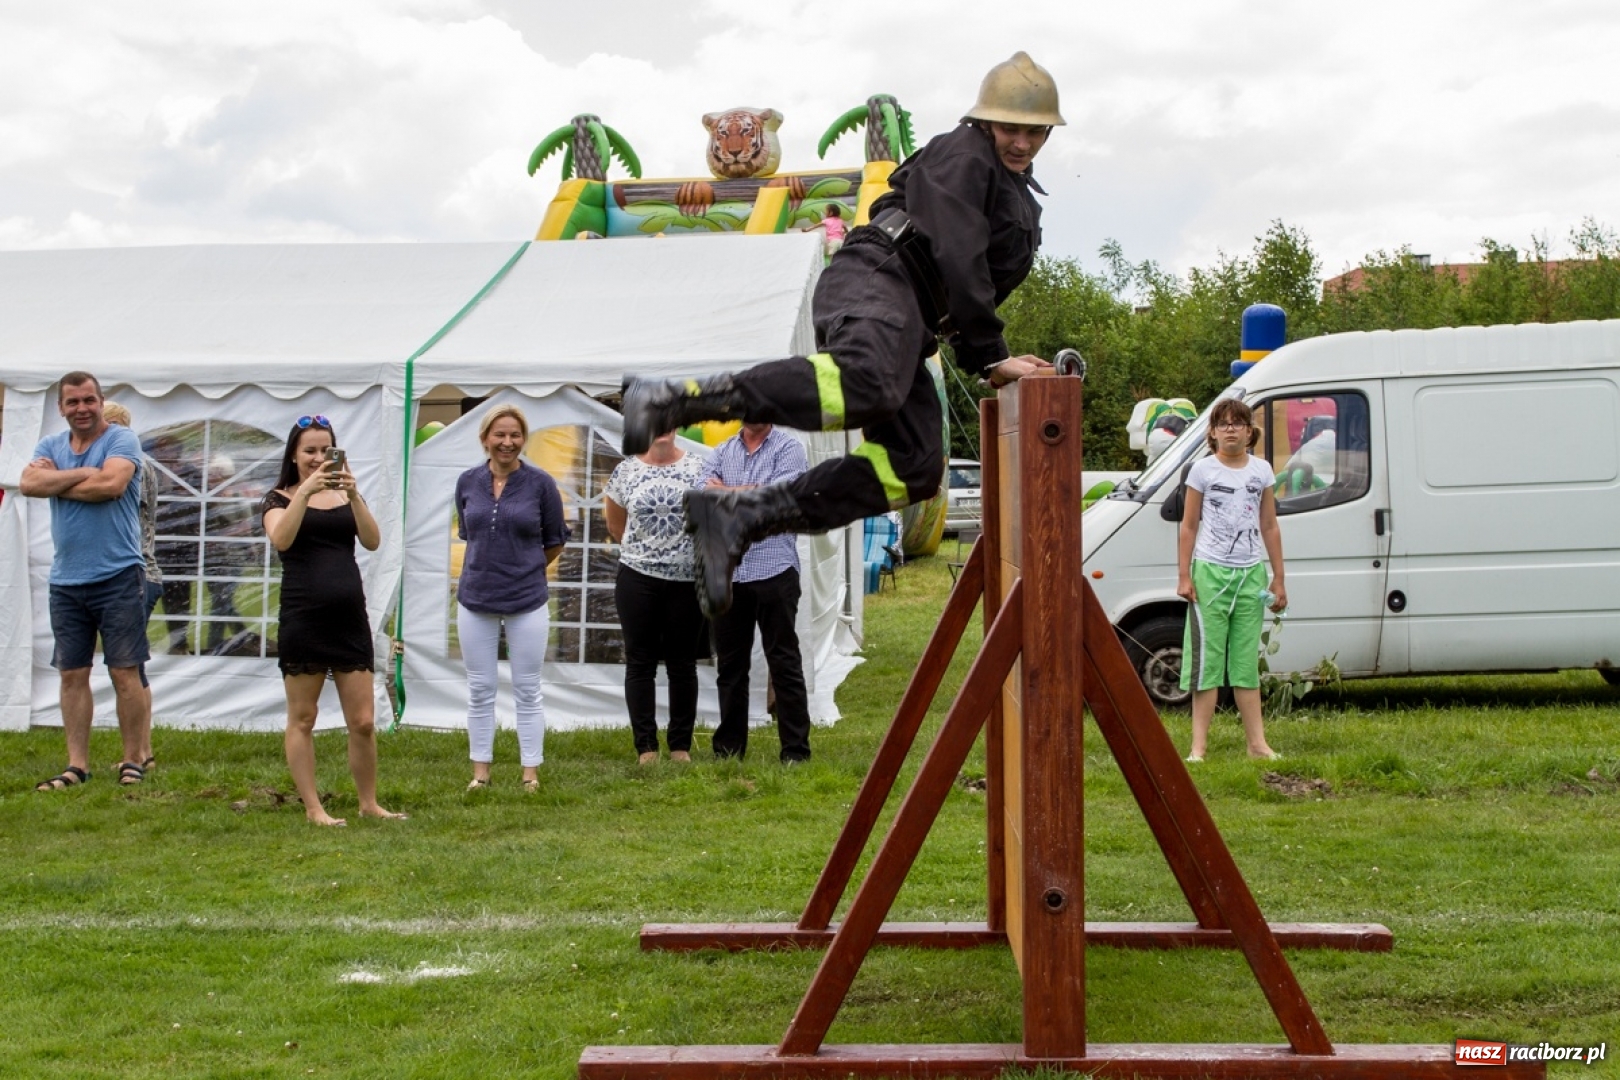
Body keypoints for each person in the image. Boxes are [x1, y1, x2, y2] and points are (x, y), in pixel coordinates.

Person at [618, 52, 1063, 617]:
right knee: (866, 381)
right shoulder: (965, 152)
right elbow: (958, 252)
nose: (1021, 143)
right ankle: (671, 401)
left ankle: (743, 515)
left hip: (913, 314)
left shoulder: (1013, 184)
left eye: (1034, 132)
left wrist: (980, 343)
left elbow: (969, 274)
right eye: (1010, 129)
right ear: (985, 123)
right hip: (878, 277)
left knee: (916, 466)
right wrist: (991, 356)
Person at [261, 415, 403, 825]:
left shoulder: (344, 496)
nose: (319, 458)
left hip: (348, 617)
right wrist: (305, 491)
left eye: (326, 450)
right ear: (294, 454)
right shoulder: (278, 498)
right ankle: (313, 808)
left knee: (362, 721)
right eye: (310, 451)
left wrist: (355, 494)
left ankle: (369, 803)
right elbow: (281, 539)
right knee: (303, 717)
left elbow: (373, 541)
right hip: (304, 616)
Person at [21, 372, 153, 790]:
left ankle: (133, 760)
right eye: (72, 402)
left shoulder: (121, 441)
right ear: (61, 407)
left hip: (118, 574)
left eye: (89, 400)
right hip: (66, 580)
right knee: (71, 675)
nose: (82, 409)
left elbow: (112, 484)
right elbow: (28, 483)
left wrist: (57, 482)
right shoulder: (49, 446)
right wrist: (83, 476)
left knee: (124, 672)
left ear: (101, 401)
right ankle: (76, 765)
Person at [453, 406, 570, 792]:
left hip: (527, 600)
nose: (507, 442)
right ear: (485, 438)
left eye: (515, 435)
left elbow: (555, 540)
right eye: (500, 435)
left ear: (523, 439)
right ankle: (480, 774)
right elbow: (470, 533)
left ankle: (530, 773)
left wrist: (525, 566)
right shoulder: (467, 482)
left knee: (527, 688)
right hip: (475, 598)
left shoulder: (541, 484)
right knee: (480, 689)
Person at [1175, 398, 1286, 763]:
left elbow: (1269, 525)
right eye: (1223, 424)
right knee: (1207, 664)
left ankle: (1257, 745)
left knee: (1243, 664)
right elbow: (1189, 526)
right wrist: (1184, 575)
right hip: (1209, 574)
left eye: (1239, 423)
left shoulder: (1262, 471)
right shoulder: (1202, 471)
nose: (1231, 429)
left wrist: (1278, 579)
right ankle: (1198, 748)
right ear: (1212, 432)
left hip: (1250, 576)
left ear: (1250, 432)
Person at [701, 423, 812, 763]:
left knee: (784, 661)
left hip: (774, 570)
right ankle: (729, 750)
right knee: (731, 666)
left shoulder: (789, 448)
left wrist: (728, 492)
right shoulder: (722, 450)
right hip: (730, 573)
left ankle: (795, 751)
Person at [603, 429, 708, 764]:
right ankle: (646, 747)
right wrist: (646, 554)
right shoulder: (625, 471)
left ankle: (680, 746)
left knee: (683, 663)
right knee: (640, 663)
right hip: (637, 579)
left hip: (687, 581)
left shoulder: (699, 469)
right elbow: (616, 525)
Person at [101, 401, 160, 770]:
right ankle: (143, 750)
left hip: (139, 573)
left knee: (130, 667)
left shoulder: (134, 466)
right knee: (131, 667)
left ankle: (141, 752)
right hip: (136, 574)